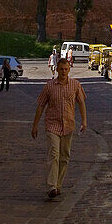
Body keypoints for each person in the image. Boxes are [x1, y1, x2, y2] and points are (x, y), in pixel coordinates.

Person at [31, 57, 87, 200]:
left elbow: (81, 103)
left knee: (64, 157)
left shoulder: (75, 85)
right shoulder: (49, 86)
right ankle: (51, 186)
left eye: (66, 69)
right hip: (52, 125)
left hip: (68, 125)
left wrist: (84, 121)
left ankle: (58, 184)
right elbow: (41, 105)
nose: (63, 72)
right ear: (57, 70)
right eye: (61, 69)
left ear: (69, 70)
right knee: (54, 155)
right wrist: (35, 125)